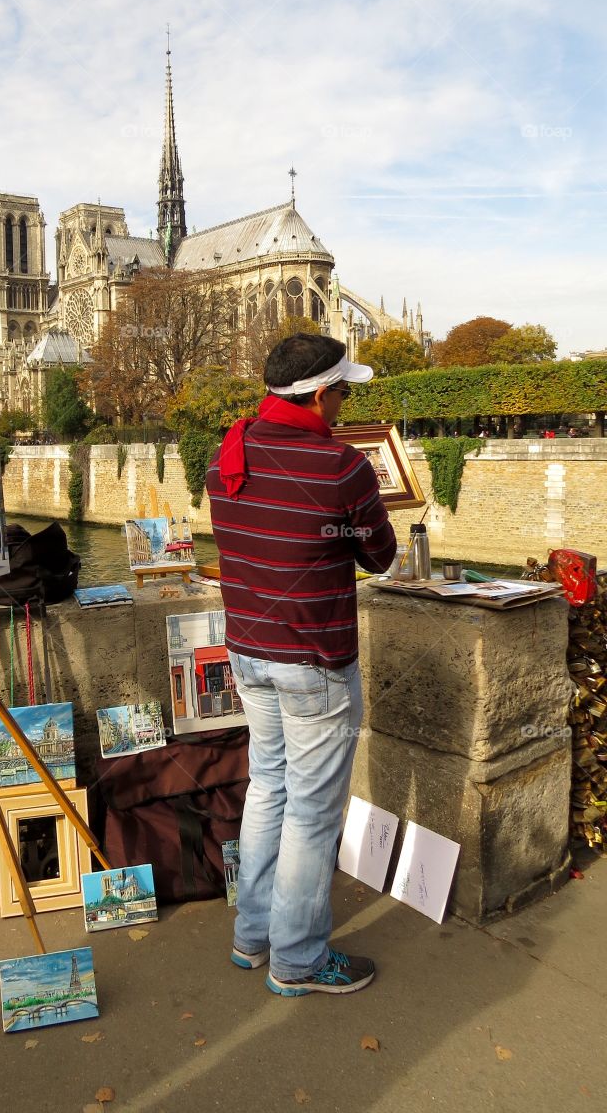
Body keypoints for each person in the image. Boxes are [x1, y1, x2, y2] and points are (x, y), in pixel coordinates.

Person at [206, 334, 397, 998]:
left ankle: (252, 936)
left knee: (269, 788)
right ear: (319, 394)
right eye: (344, 390)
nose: (346, 402)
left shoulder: (227, 454)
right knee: (312, 814)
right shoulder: (343, 467)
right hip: (313, 662)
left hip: (249, 654)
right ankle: (299, 960)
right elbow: (381, 557)